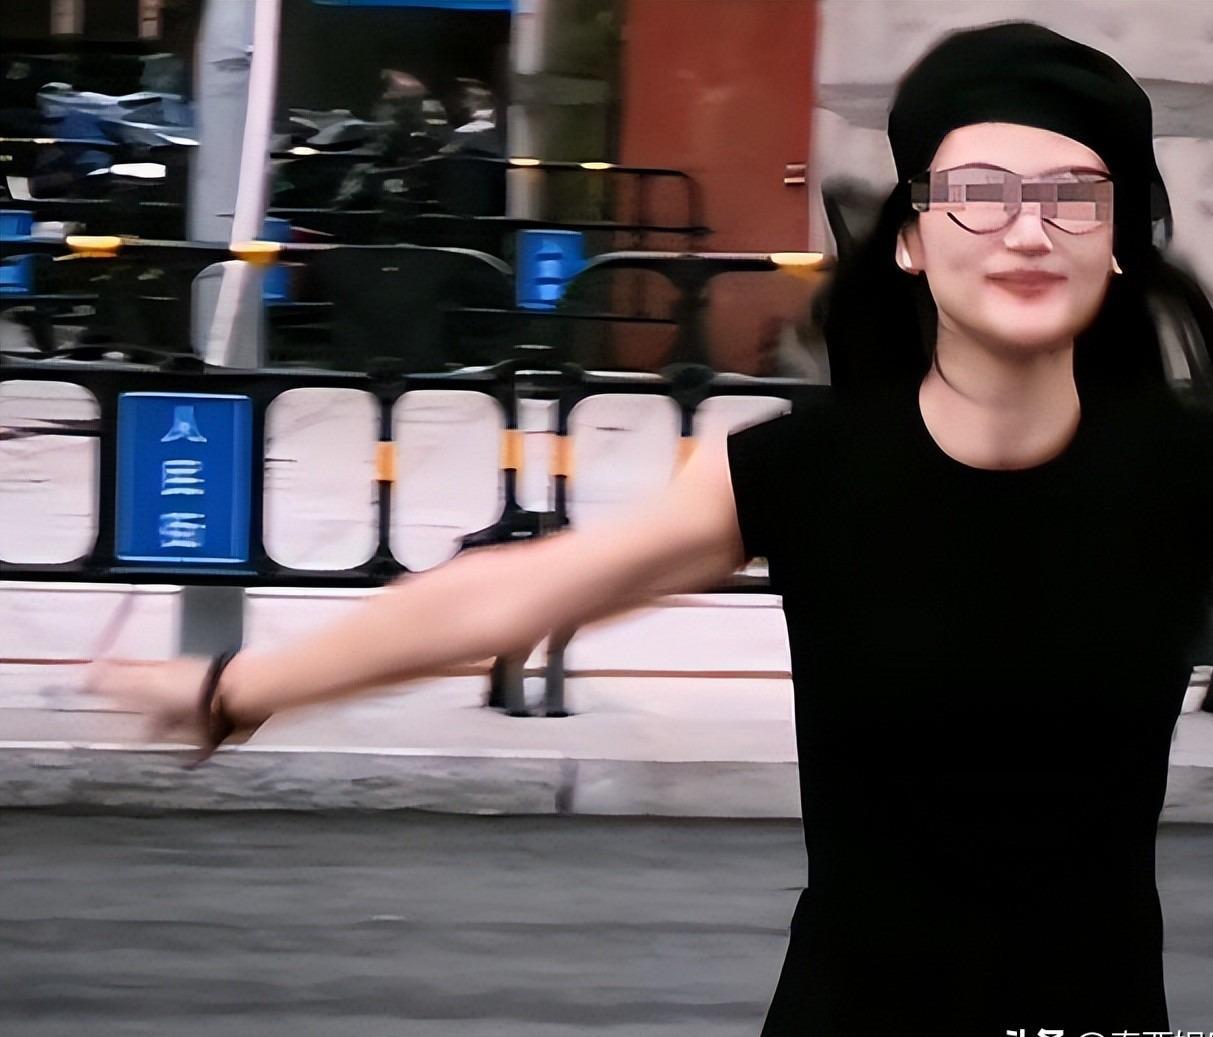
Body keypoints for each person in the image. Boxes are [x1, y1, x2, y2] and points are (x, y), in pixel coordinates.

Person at [90, 21, 1212, 1034]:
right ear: (912, 238)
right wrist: (242, 687)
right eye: (978, 193)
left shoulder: (1185, 473)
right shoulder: (803, 472)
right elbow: (513, 592)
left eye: (1072, 195)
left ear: (1118, 236)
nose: (1027, 231)